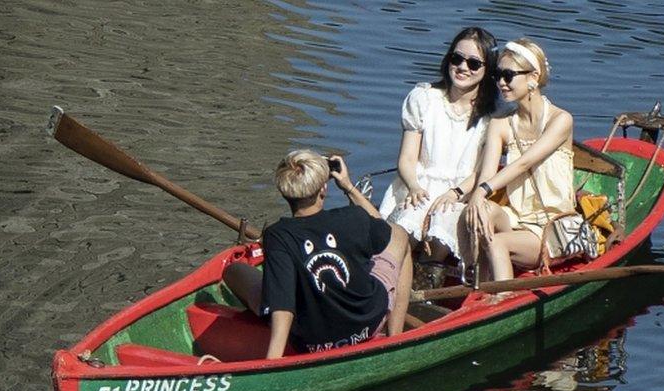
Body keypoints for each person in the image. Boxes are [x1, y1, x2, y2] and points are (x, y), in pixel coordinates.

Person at [224, 150, 412, 359]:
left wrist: (273, 359)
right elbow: (383, 230)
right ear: (323, 188)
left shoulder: (277, 236)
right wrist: (348, 187)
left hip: (311, 343)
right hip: (367, 325)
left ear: (284, 190)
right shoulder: (352, 217)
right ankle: (395, 339)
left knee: (233, 270)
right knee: (399, 234)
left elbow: (282, 301)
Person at [378, 27, 499, 263]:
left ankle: (427, 285)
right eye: (457, 58)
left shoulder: (492, 117)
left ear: (487, 70)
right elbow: (407, 159)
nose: (463, 67)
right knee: (404, 230)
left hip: (460, 192)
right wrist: (413, 186)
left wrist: (455, 194)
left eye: (474, 63)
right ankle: (387, 281)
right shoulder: (424, 98)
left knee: (440, 238)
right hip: (418, 185)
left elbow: (481, 173)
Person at [461, 38, 576, 281]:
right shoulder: (500, 124)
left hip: (549, 224)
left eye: (508, 75)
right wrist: (477, 200)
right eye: (497, 75)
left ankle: (501, 298)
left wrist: (482, 190)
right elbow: (488, 176)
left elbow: (524, 163)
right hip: (515, 217)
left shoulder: (560, 120)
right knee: (479, 211)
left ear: (533, 77)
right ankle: (475, 280)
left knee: (497, 242)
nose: (501, 82)